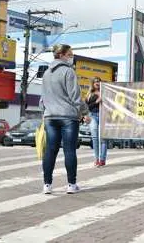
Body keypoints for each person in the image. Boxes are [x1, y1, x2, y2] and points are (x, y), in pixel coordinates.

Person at [40, 44, 90, 194]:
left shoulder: (46, 73)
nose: (71, 57)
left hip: (50, 117)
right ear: (61, 55)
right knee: (69, 150)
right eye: (70, 54)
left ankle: (47, 185)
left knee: (50, 150)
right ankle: (71, 184)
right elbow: (75, 96)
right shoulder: (69, 71)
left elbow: (42, 99)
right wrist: (85, 112)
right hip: (68, 116)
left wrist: (46, 112)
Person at [86, 77, 107, 167]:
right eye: (95, 82)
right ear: (93, 83)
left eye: (99, 81)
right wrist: (96, 102)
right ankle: (97, 159)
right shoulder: (90, 94)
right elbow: (87, 107)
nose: (97, 83)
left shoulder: (105, 92)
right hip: (93, 116)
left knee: (103, 138)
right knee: (95, 137)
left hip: (103, 116)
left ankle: (102, 159)